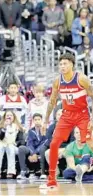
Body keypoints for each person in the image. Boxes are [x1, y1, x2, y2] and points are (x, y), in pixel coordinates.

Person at [40, 53, 93, 190]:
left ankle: (86, 168)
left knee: (90, 143)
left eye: (65, 64)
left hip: (82, 115)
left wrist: (92, 118)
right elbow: (52, 101)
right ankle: (51, 180)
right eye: (61, 64)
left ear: (72, 65)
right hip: (67, 115)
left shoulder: (82, 79)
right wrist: (46, 120)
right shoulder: (58, 81)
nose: (62, 66)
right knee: (53, 144)